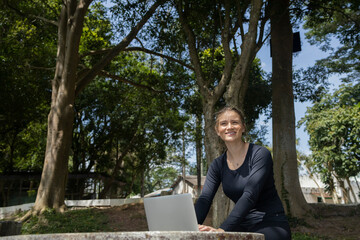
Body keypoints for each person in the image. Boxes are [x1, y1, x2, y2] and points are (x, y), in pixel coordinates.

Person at [195, 106, 291, 240]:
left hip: (270, 223)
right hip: (241, 225)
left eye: (235, 122)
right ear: (217, 130)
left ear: (243, 127)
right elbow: (205, 200)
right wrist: (190, 228)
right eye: (223, 123)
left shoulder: (260, 154)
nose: (229, 127)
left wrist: (222, 230)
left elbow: (250, 194)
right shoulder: (217, 165)